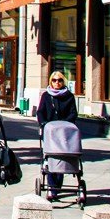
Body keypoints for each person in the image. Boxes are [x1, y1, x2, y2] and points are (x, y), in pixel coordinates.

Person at [36, 70, 78, 200]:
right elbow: (40, 112)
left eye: (59, 80)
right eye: (54, 80)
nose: (57, 83)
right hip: (49, 131)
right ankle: (52, 187)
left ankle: (57, 186)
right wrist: (43, 123)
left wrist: (65, 123)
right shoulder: (46, 96)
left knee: (63, 156)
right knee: (50, 156)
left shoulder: (69, 96)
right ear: (50, 81)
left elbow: (73, 113)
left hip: (64, 132)